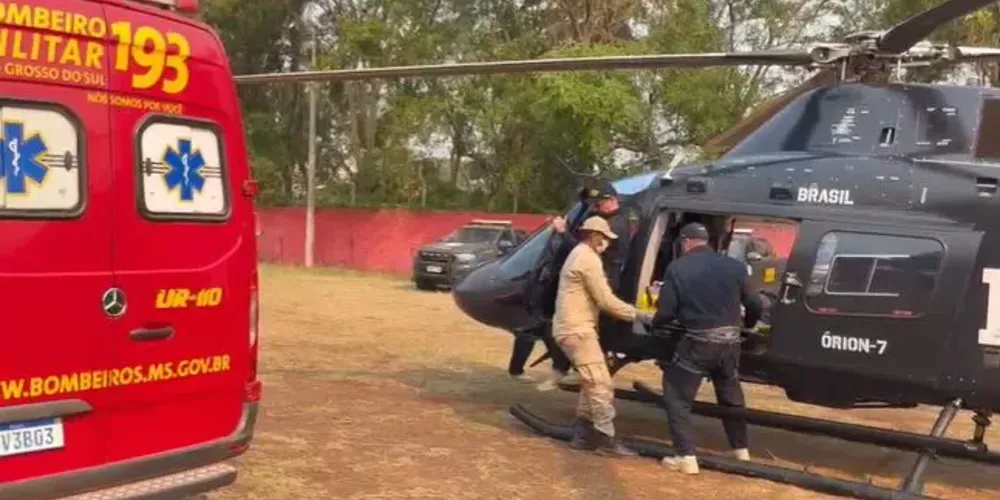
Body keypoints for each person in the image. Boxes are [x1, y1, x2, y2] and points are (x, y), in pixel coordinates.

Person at [652, 222, 764, 474]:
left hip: (699, 345)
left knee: (676, 396)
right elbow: (755, 303)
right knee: (730, 396)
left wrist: (655, 324)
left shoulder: (678, 267)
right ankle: (741, 452)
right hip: (731, 344)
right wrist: (747, 325)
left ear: (686, 242)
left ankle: (686, 457)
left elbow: (666, 312)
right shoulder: (734, 266)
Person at [552, 216, 654, 456]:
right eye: (606, 238)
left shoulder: (580, 254)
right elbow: (606, 301)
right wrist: (641, 315)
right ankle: (605, 438)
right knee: (600, 383)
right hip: (577, 329)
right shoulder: (587, 259)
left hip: (573, 328)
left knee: (591, 382)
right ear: (594, 235)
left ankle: (583, 434)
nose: (607, 242)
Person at [552, 183, 630, 293]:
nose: (595, 207)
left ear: (612, 200)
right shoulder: (607, 218)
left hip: (603, 282)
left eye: (599, 202)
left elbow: (584, 251)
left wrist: (563, 232)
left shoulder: (615, 224)